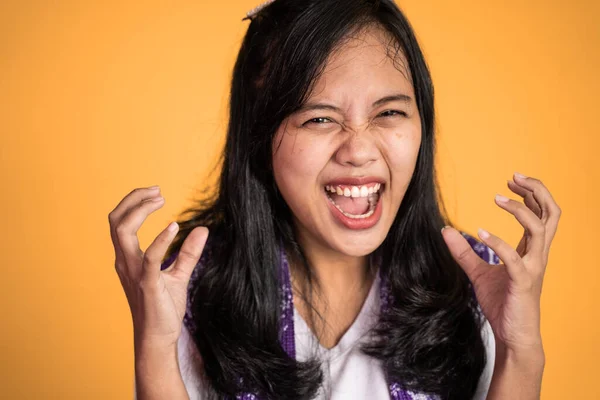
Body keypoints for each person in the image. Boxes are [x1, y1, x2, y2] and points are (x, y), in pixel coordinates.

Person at [108, 0, 561, 399]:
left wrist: (519, 349)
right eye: (320, 119)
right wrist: (154, 344)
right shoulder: (193, 289)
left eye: (389, 113)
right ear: (258, 141)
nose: (360, 151)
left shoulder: (475, 287)